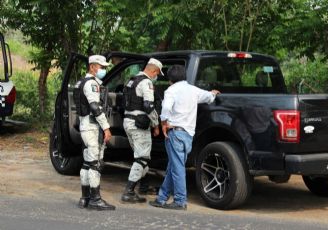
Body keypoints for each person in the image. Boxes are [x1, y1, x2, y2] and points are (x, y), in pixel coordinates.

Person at [149, 65, 220, 210]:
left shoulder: (171, 91)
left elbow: (166, 108)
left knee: (177, 168)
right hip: (188, 136)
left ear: (170, 79)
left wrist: (163, 123)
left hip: (175, 133)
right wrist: (213, 93)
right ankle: (161, 198)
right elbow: (208, 96)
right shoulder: (193, 90)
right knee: (173, 167)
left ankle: (180, 200)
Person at [74, 55, 115, 211]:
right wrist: (106, 127)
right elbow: (95, 107)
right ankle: (95, 199)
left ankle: (85, 198)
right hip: (92, 127)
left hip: (85, 125)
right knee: (95, 163)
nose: (103, 70)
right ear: (92, 67)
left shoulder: (81, 82)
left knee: (86, 163)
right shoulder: (91, 84)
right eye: (101, 67)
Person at [121, 58, 161, 203]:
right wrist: (156, 124)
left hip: (128, 121)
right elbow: (149, 106)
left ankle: (144, 186)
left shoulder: (131, 80)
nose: (156, 76)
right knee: (142, 157)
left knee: (140, 155)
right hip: (139, 124)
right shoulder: (146, 82)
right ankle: (129, 192)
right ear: (153, 70)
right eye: (157, 73)